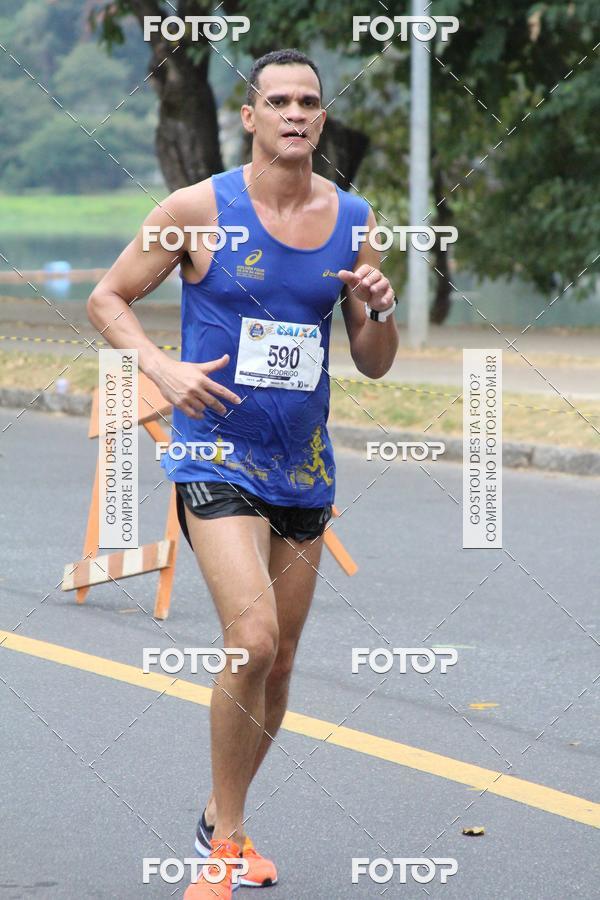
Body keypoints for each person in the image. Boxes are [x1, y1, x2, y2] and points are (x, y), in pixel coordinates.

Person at [87, 47, 399, 899]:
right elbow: (107, 299)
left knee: (284, 660)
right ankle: (226, 842)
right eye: (279, 101)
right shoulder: (198, 209)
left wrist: (379, 305)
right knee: (251, 642)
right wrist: (163, 368)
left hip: (302, 463)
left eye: (310, 102)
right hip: (212, 449)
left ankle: (219, 813)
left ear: (321, 119)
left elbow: (373, 362)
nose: (296, 113)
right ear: (250, 115)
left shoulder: (354, 216)